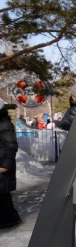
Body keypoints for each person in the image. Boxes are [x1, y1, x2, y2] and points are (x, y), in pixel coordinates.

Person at [0, 98, 22, 229]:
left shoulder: (4, 124)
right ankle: (10, 219)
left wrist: (5, 165)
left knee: (3, 194)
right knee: (3, 195)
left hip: (2, 165)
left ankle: (9, 220)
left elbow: (11, 145)